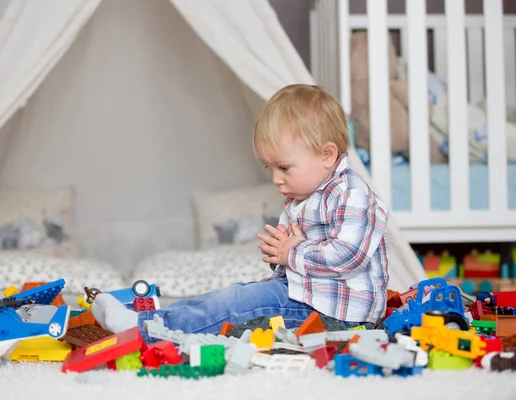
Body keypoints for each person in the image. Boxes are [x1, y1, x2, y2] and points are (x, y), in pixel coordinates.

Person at [92, 84, 390, 342]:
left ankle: (145, 329)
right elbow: (303, 262)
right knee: (230, 295)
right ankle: (148, 319)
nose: (276, 179)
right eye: (270, 168)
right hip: (310, 298)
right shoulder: (303, 197)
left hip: (339, 317)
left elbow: (349, 256)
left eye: (284, 168)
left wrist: (291, 253)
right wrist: (280, 257)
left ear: (326, 155)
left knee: (240, 303)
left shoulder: (351, 193)